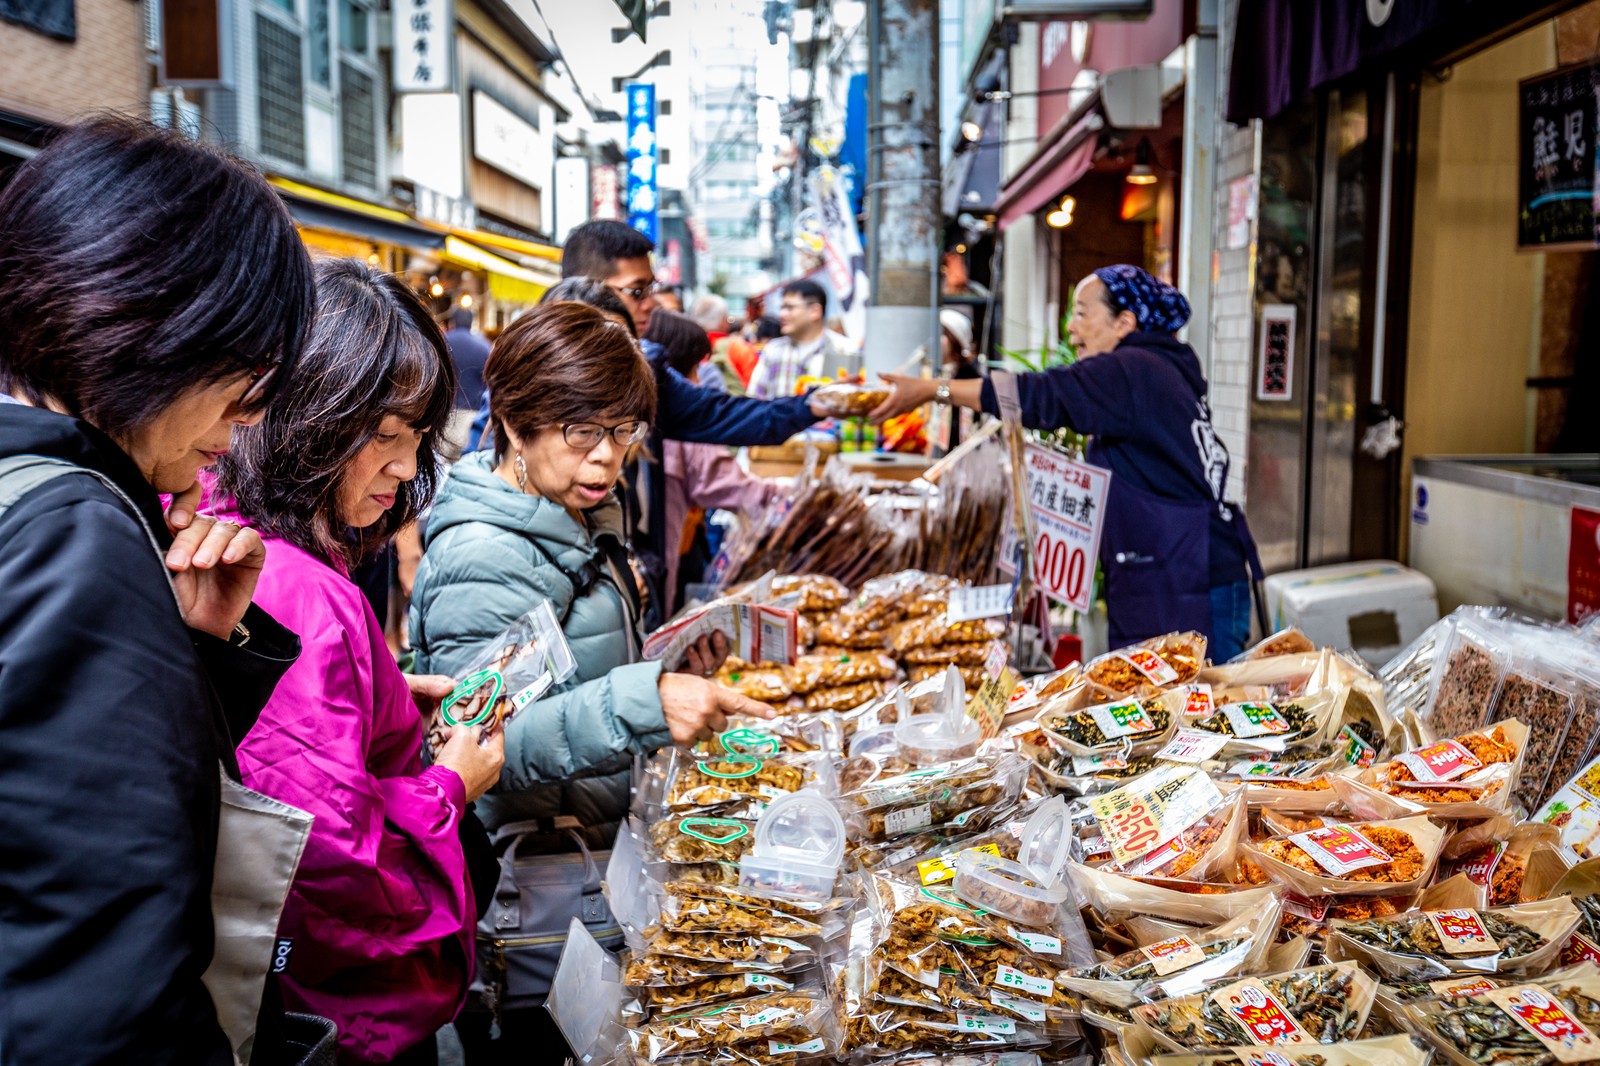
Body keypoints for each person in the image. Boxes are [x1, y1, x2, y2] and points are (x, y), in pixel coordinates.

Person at [0, 117, 314, 1065]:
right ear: (157, 329)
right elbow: (100, 969)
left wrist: (199, 652)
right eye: (248, 379)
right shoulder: (75, 532)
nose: (247, 422)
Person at [409, 301, 775, 1063]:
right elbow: (476, 743)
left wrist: (666, 672)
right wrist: (644, 702)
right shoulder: (486, 553)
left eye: (624, 431)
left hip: (598, 861)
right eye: (583, 431)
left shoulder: (574, 512)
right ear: (514, 421)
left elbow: (566, 672)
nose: (608, 458)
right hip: (533, 894)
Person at [213, 260, 504, 1065]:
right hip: (335, 1020)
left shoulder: (259, 546)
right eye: (386, 437)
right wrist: (452, 783)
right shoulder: (296, 586)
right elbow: (329, 855)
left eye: (416, 440)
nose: (407, 469)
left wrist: (381, 695)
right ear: (313, 415)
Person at [875, 265, 1262, 659]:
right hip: (1181, 567)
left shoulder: (1130, 368)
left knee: (1197, 704)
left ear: (1124, 322)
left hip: (1189, 577)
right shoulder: (1158, 367)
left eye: (1082, 313)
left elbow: (1038, 394)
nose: (1071, 329)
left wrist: (932, 390)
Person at [645, 310, 781, 616]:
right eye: (693, 369)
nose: (697, 382)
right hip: (663, 567)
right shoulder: (681, 426)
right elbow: (734, 486)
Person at [748, 279, 855, 399]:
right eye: (782, 308)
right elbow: (755, 400)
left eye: (789, 308)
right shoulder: (774, 350)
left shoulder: (844, 350)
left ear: (815, 311)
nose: (782, 314)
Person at [442, 307, 491, 456]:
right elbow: (488, 382)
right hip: (472, 416)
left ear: (452, 322)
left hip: (444, 414)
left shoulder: (442, 342)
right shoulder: (483, 346)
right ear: (471, 324)